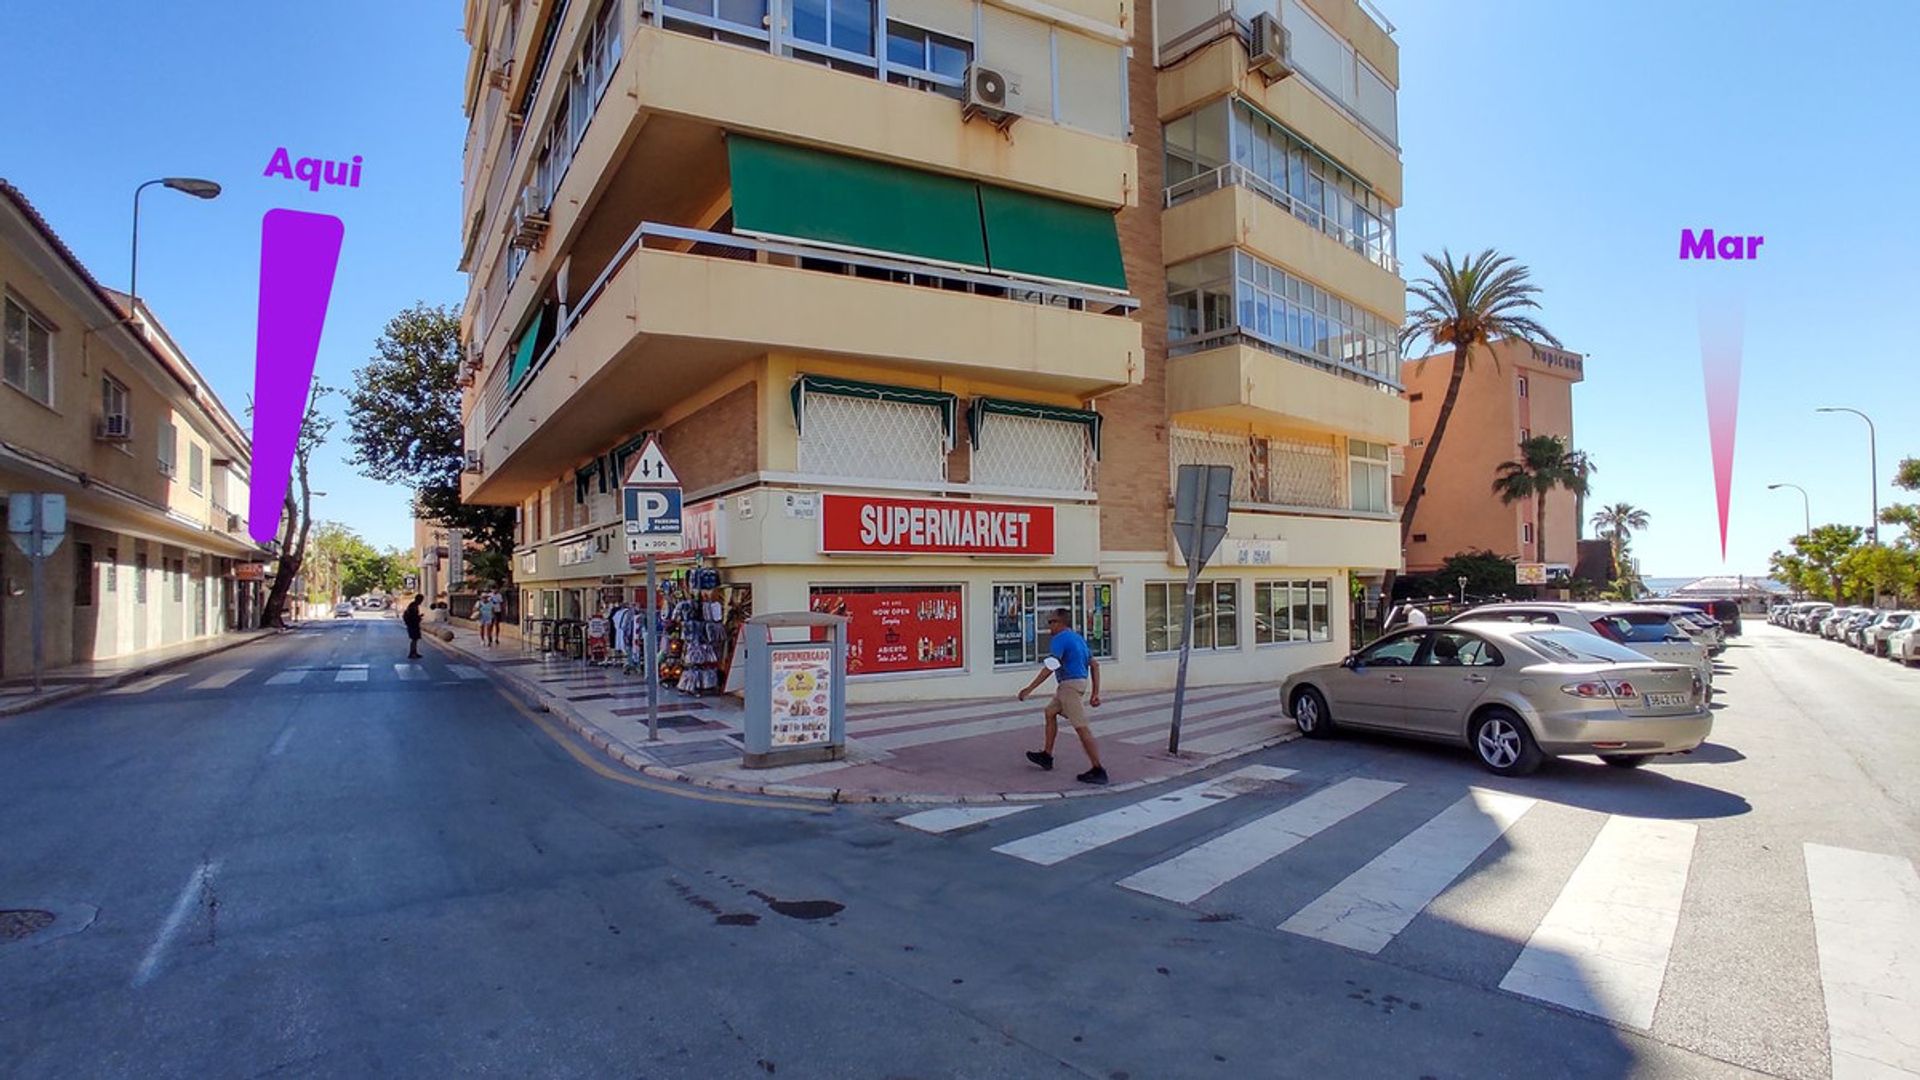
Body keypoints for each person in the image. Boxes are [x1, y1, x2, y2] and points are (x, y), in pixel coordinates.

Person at [1017, 608, 1106, 785]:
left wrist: (1029, 689)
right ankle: (1046, 756)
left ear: (1061, 623)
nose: (1049, 626)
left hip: (1069, 687)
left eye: (1052, 622)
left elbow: (1050, 667)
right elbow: (1094, 665)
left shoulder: (1060, 639)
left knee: (1082, 728)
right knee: (1050, 712)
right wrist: (1095, 693)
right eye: (1049, 622)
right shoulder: (1078, 638)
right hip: (1077, 684)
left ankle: (1098, 769)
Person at [403, 594, 425, 660]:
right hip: (413, 625)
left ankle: (414, 652)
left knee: (415, 639)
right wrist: (419, 617)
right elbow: (413, 616)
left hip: (413, 624)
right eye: (421, 600)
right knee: (414, 639)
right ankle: (412, 653)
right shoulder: (413, 606)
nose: (422, 601)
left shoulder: (413, 605)